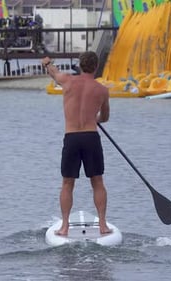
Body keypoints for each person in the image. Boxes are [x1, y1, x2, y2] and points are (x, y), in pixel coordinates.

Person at [41, 52, 111, 236]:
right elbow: (105, 117)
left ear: (80, 65)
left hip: (72, 138)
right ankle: (102, 225)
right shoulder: (102, 90)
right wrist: (94, 118)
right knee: (97, 182)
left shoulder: (67, 81)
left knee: (67, 183)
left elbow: (54, 72)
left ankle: (64, 226)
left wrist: (47, 63)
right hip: (91, 137)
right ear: (96, 67)